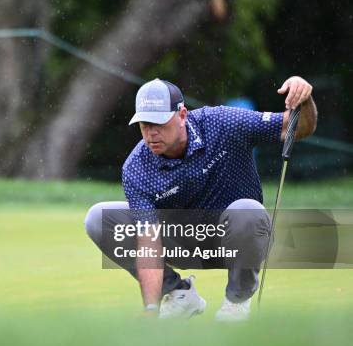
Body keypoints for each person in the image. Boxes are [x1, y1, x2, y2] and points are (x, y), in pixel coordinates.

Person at [84, 76, 317, 321]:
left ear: (182, 115)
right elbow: (149, 242)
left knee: (248, 210)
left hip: (239, 240)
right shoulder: (137, 168)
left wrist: (305, 98)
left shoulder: (223, 122)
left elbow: (297, 126)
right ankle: (179, 295)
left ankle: (236, 303)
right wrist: (150, 309)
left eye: (159, 123)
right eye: (144, 125)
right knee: (98, 218)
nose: (151, 134)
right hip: (183, 245)